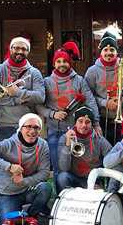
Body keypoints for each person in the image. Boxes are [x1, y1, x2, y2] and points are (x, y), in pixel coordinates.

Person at [36, 48, 100, 188]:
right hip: (54, 131)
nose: (62, 64)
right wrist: (53, 114)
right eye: (58, 61)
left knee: (76, 166)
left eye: (65, 61)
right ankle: (61, 198)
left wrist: (96, 123)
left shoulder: (79, 81)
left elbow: (90, 101)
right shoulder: (46, 82)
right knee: (59, 168)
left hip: (76, 132)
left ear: (70, 63)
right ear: (54, 64)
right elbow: (38, 106)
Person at [0, 113, 51, 222]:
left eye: (36, 127)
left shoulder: (43, 145)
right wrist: (9, 166)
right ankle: (2, 209)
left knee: (45, 188)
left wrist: (24, 181)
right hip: (7, 193)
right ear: (20, 128)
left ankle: (31, 216)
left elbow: (44, 173)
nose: (32, 131)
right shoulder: (9, 143)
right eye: (28, 127)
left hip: (27, 189)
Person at [0, 36, 45, 142]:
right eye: (16, 48)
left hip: (27, 126)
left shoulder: (34, 73)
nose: (20, 51)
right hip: (2, 126)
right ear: (10, 49)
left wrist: (18, 92)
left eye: (24, 49)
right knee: (2, 158)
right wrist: (18, 100)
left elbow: (40, 97)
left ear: (28, 52)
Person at [85, 31, 123, 144]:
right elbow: (88, 97)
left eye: (112, 50)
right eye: (105, 50)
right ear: (101, 52)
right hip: (102, 119)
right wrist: (105, 102)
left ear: (117, 52)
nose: (109, 53)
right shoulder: (92, 71)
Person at [57, 106, 112, 191]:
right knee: (62, 177)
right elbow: (63, 168)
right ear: (75, 123)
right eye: (80, 121)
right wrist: (68, 145)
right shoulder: (65, 138)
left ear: (92, 124)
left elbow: (111, 161)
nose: (84, 125)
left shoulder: (99, 139)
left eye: (87, 122)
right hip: (74, 178)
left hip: (93, 179)